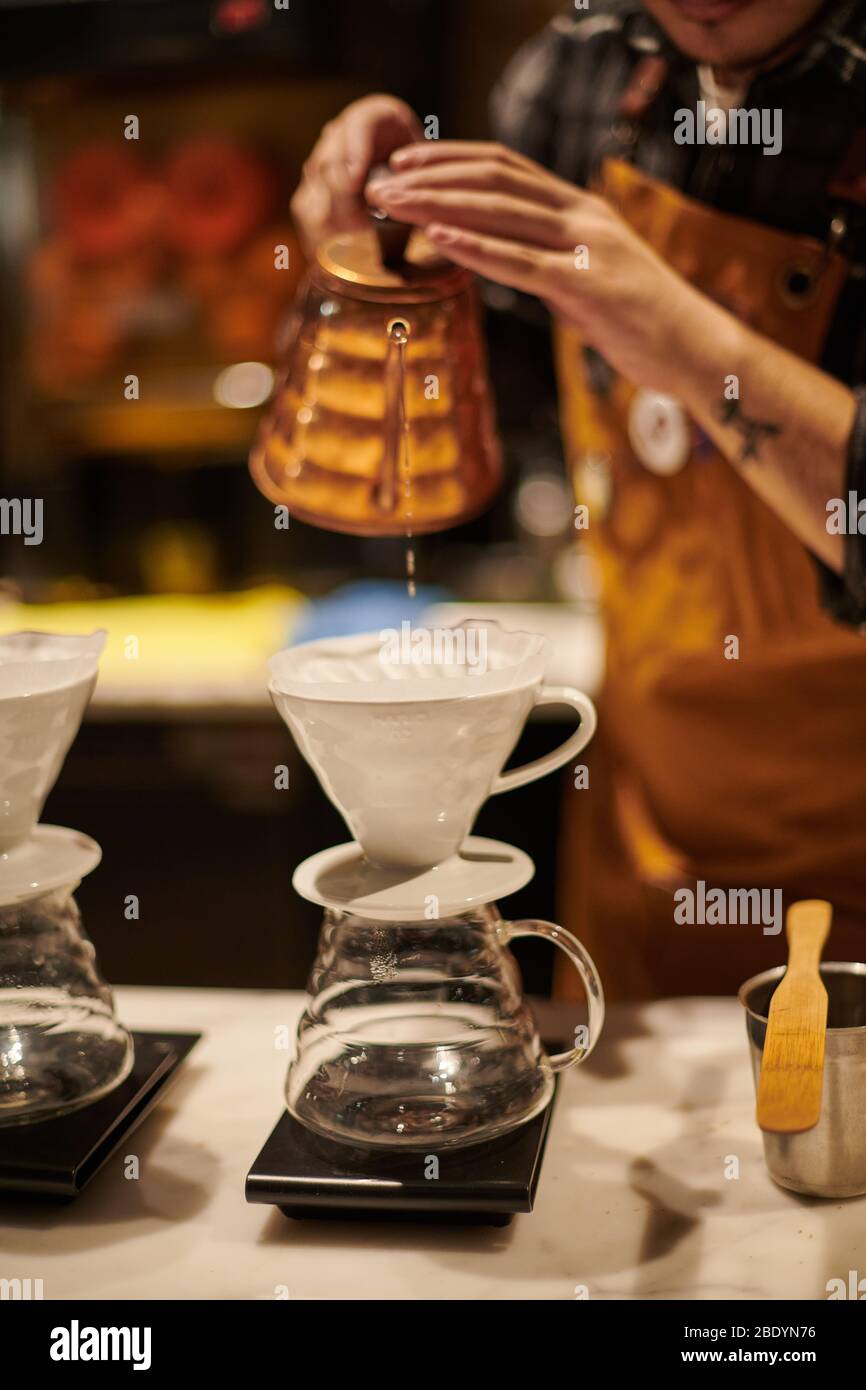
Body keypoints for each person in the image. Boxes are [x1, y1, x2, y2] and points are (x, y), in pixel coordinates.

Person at [290, 0, 866, 998]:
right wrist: (379, 249)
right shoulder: (580, 75)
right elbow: (468, 395)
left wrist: (681, 338)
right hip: (639, 858)